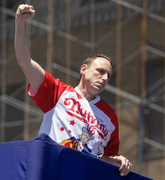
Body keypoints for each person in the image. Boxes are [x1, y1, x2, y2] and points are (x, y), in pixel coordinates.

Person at [15, 4, 132, 177]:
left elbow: (106, 156)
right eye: (100, 71)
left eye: (108, 75)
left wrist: (120, 160)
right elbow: (24, 61)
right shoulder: (58, 92)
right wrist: (20, 22)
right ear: (83, 70)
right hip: (53, 171)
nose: (105, 78)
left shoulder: (110, 117)